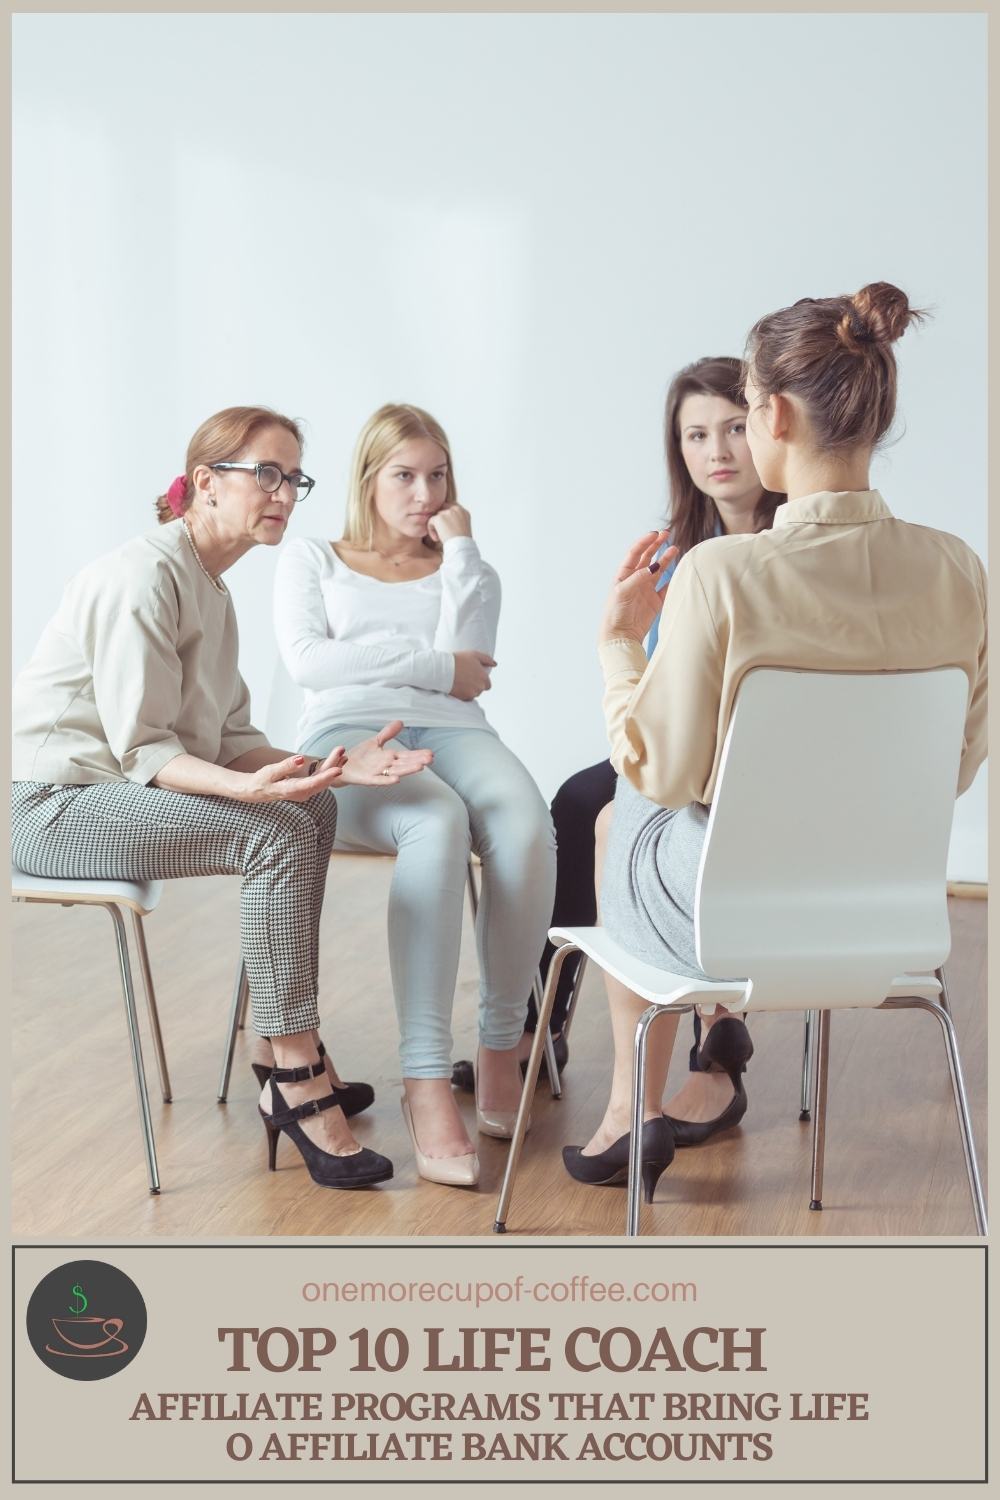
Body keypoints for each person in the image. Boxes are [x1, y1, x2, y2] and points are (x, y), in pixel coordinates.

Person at [564, 281, 988, 1199]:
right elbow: (952, 767)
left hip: (731, 918)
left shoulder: (719, 575)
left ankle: (630, 1109)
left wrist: (615, 646)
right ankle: (697, 1073)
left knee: (621, 803)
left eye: (745, 413)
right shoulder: (960, 570)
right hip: (887, 916)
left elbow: (657, 767)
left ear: (776, 415)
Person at [11, 406, 434, 1192]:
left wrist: (333, 766)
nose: (283, 493)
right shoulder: (143, 575)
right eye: (265, 473)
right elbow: (146, 749)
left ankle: (273, 1050)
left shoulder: (212, 588)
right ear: (205, 482)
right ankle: (295, 1070)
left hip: (115, 794)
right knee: (272, 830)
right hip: (54, 807)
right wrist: (250, 791)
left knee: (310, 810)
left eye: (293, 478)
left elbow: (233, 735)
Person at [452, 355, 783, 1143]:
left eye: (734, 428)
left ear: (770, 430)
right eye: (696, 435)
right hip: (684, 743)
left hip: (757, 758)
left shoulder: (792, 545)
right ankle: (544, 1019)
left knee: (637, 814)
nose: (717, 451)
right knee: (574, 800)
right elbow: (657, 690)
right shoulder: (673, 550)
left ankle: (715, 1039)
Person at [273, 403, 557, 1188]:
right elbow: (309, 663)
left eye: (437, 476)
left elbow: (476, 654)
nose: (422, 492)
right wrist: (428, 666)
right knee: (436, 819)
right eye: (404, 475)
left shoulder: (465, 564)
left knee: (525, 825)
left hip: (458, 731)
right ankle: (425, 1081)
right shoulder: (313, 558)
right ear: (368, 480)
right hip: (346, 739)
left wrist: (461, 548)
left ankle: (500, 1043)